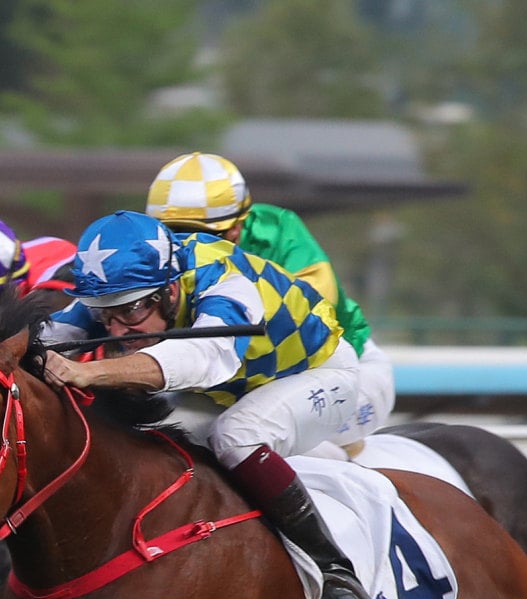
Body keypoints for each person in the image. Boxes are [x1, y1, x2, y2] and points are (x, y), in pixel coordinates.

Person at [39, 210, 373, 599]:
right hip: (233, 388)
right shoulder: (116, 286)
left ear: (170, 289)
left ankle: (337, 577)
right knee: (147, 431)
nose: (118, 329)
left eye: (132, 311)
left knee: (237, 436)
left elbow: (205, 357)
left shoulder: (223, 277)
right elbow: (45, 336)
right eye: (105, 316)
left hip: (319, 374)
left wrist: (93, 371)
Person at [146, 151, 395, 435]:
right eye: (172, 233)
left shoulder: (278, 230)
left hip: (336, 372)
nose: (190, 245)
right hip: (234, 387)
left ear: (237, 225)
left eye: (205, 234)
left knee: (259, 439)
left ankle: (352, 465)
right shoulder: (154, 251)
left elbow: (310, 315)